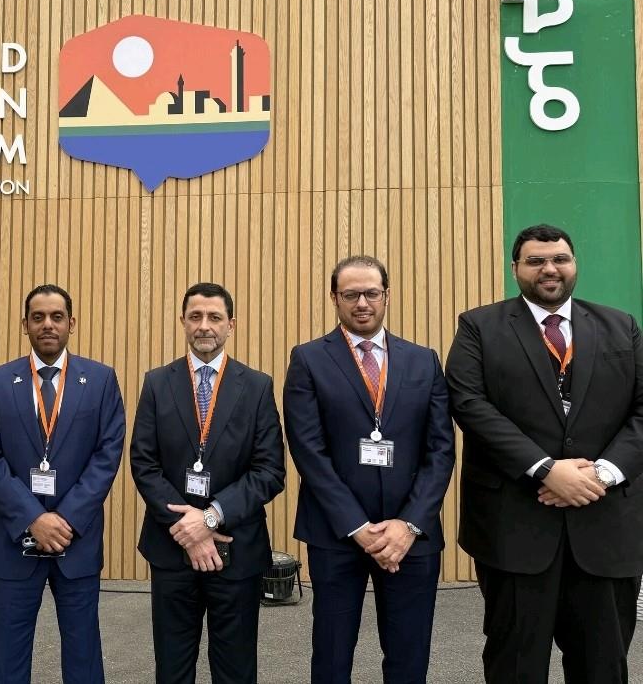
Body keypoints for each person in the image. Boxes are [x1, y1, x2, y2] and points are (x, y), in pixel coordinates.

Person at [445, 224, 643, 683]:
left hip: (605, 526)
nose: (549, 269)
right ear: (515, 268)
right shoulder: (478, 327)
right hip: (515, 527)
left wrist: (601, 474)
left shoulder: (621, 326)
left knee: (602, 666)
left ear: (574, 265)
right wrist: (545, 470)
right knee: (516, 666)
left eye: (559, 259)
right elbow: (469, 403)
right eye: (535, 261)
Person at [283, 255, 455, 682]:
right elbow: (309, 452)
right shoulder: (308, 359)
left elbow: (440, 450)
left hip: (410, 537)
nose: (362, 303)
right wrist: (357, 526)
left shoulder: (423, 360)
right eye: (351, 294)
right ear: (334, 298)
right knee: (332, 657)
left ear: (387, 296)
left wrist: (409, 525)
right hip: (336, 534)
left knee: (409, 658)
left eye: (371, 293)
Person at [130, 282, 286, 684]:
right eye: (195, 316)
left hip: (237, 551)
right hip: (171, 548)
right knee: (173, 668)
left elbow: (270, 470)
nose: (204, 326)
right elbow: (144, 463)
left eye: (214, 317)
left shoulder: (257, 386)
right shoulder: (157, 383)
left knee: (235, 670)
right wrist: (188, 529)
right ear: (183, 322)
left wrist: (211, 518)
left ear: (231, 324)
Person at [0, 284, 125, 683]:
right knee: (6, 658)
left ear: (72, 323)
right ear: (24, 324)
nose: (47, 325)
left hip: (77, 541)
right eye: (37, 317)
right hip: (15, 542)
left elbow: (107, 455)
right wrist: (33, 519)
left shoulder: (101, 380)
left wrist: (66, 519)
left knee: (83, 657)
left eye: (57, 317)